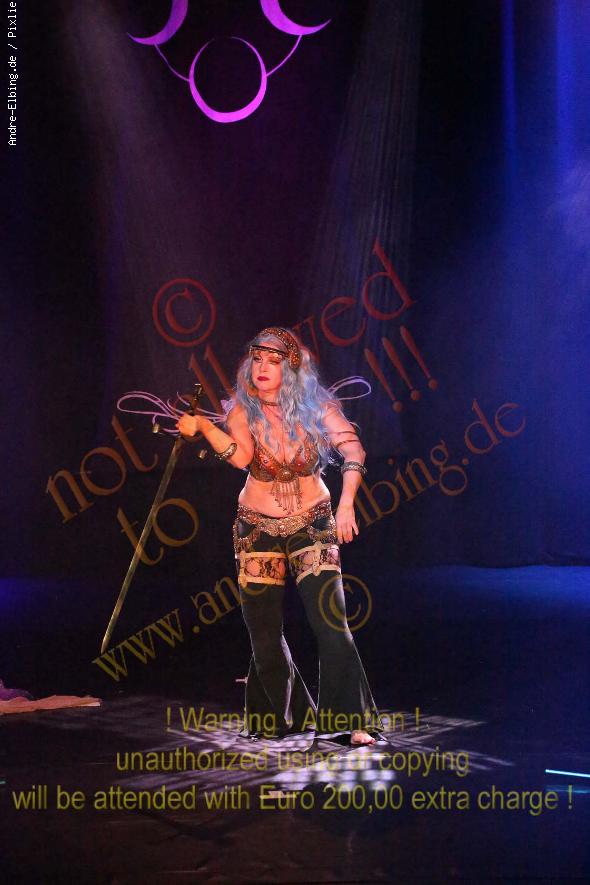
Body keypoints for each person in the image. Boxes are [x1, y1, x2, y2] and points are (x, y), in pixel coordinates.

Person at [177, 327, 384, 746]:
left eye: (273, 361)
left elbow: (354, 450)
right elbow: (242, 458)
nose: (262, 368)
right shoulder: (243, 410)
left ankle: (351, 718)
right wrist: (204, 427)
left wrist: (346, 505)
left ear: (291, 368)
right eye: (257, 359)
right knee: (264, 633)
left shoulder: (317, 407)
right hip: (257, 527)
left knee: (331, 622)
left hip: (313, 523)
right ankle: (282, 716)